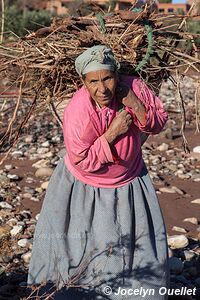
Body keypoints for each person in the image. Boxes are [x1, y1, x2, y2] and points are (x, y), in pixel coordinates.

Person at [27, 45, 169, 299]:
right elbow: (83, 162)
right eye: (93, 81)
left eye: (107, 78)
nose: (101, 88)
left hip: (130, 182)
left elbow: (158, 121)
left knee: (134, 245)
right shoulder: (78, 111)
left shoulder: (134, 87)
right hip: (84, 188)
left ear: (117, 75)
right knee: (84, 246)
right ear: (84, 82)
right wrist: (112, 133)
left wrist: (135, 105)